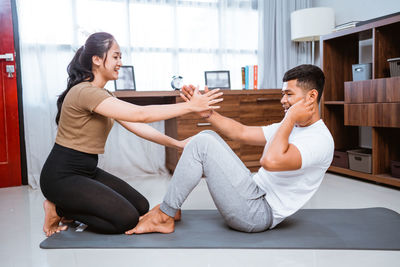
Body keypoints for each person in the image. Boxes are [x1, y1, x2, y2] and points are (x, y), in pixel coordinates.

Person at [40, 32, 223, 237]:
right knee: (124, 220)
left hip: (86, 170)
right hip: (62, 175)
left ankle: (68, 206)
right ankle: (59, 208)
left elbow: (137, 125)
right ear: (97, 59)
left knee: (140, 206)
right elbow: (141, 114)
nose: (120, 62)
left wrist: (177, 144)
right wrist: (190, 107)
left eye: (120, 57)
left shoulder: (104, 95)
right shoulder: (85, 92)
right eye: (116, 56)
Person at [125, 64, 334, 235]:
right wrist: (207, 113)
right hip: (253, 193)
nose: (283, 100)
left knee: (202, 144)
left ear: (311, 97)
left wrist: (289, 118)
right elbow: (240, 132)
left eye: (288, 94)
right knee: (205, 136)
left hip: (258, 214)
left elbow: (270, 162)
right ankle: (172, 208)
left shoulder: (319, 140)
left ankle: (164, 215)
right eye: (282, 94)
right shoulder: (292, 126)